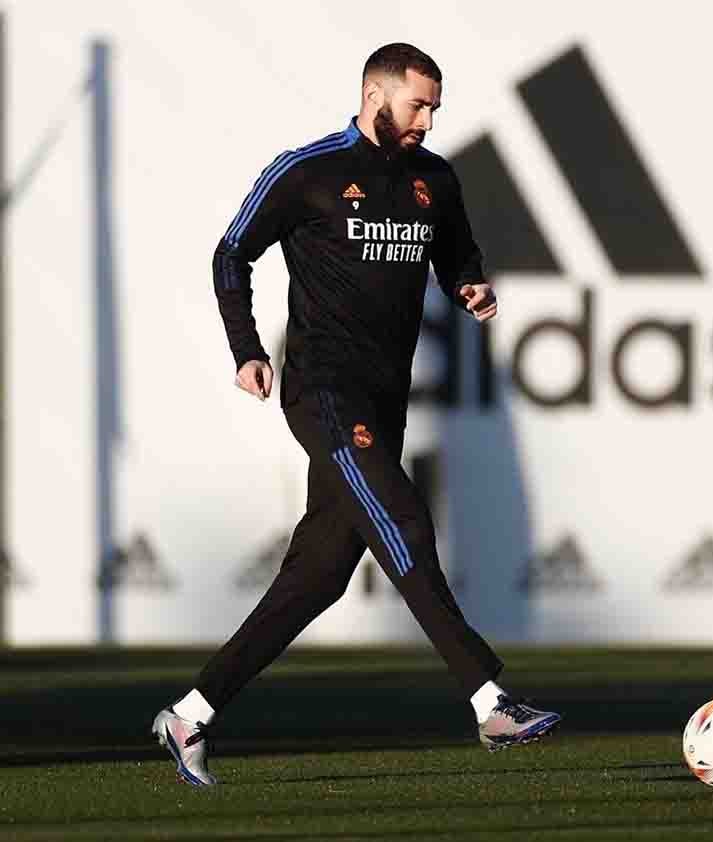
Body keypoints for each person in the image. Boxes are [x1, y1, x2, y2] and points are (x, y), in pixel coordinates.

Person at [152, 42, 561, 786]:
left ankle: (189, 716)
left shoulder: (435, 178)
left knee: (317, 579)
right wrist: (245, 347)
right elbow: (230, 254)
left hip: (384, 399)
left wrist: (471, 286)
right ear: (376, 95)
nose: (428, 121)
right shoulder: (308, 171)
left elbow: (457, 257)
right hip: (324, 394)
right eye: (418, 105)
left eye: (436, 106)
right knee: (404, 520)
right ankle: (489, 698)